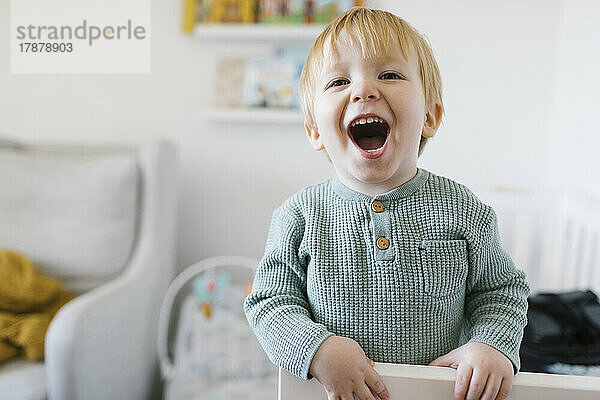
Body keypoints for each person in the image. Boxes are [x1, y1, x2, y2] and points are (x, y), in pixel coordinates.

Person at [244, 7, 530, 400]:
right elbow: (269, 301)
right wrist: (317, 348)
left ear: (430, 116)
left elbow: (501, 291)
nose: (364, 90)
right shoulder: (299, 215)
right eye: (340, 80)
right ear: (314, 130)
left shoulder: (463, 210)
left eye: (389, 75)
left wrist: (491, 345)